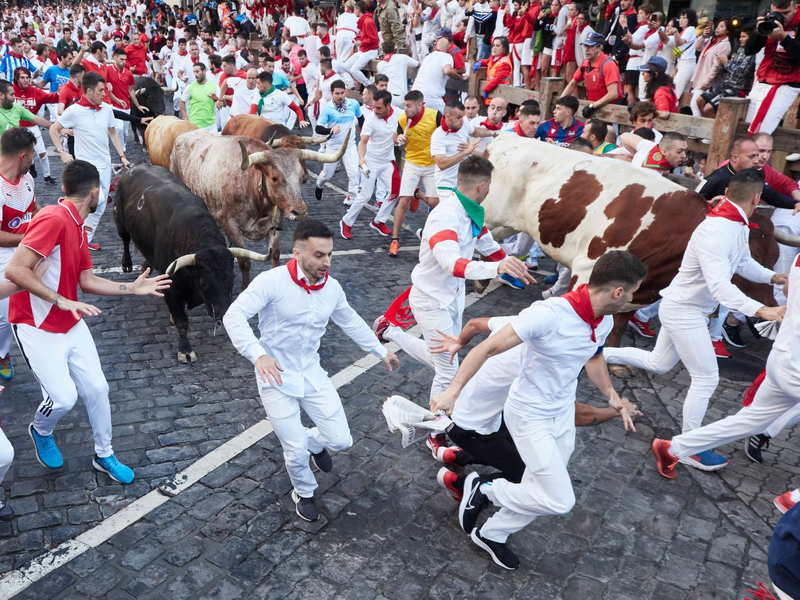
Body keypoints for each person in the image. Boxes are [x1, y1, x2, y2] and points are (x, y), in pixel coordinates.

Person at [428, 251, 645, 569]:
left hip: (560, 416)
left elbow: (594, 356)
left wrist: (611, 395)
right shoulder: (548, 314)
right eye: (634, 291)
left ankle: (492, 534)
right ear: (618, 293)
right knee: (560, 499)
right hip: (529, 416)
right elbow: (487, 347)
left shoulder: (604, 319)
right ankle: (485, 489)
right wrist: (452, 391)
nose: (635, 298)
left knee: (540, 487)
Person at [606, 169, 787, 471]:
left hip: (687, 309)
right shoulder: (717, 230)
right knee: (706, 378)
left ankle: (592, 351)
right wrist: (761, 310)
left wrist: (773, 276)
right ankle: (688, 446)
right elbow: (720, 286)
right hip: (683, 311)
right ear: (757, 198)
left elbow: (742, 263)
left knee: (658, 363)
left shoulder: (736, 224)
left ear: (729, 193)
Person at [5, 159, 170, 485]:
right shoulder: (53, 218)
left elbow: (88, 281)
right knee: (64, 398)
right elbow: (14, 270)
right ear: (95, 192)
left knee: (97, 388)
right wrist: (58, 298)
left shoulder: (78, 224)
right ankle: (41, 430)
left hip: (69, 321)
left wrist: (132, 288)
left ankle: (104, 454)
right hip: (35, 325)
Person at [223, 219, 398, 522]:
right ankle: (303, 493)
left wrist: (380, 350)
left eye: (330, 254)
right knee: (293, 449)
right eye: (319, 255)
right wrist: (259, 356)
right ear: (297, 253)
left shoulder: (332, 288)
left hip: (312, 374)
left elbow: (352, 321)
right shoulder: (271, 282)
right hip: (274, 378)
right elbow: (233, 315)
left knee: (342, 440)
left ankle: (314, 442)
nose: (327, 262)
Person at [374, 156, 533, 456]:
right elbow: (452, 264)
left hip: (451, 297)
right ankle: (436, 430)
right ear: (483, 186)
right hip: (431, 299)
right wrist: (496, 270)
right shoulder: (444, 216)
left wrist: (510, 265)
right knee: (448, 371)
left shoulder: (473, 210)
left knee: (446, 359)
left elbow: (485, 243)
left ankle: (389, 330)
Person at [49, 72, 130, 251]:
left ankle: (85, 237)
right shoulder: (74, 111)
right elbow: (54, 129)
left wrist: (122, 156)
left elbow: (113, 132)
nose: (104, 93)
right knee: (95, 201)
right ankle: (66, 221)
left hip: (105, 165)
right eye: (101, 90)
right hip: (86, 168)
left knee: (100, 206)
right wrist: (61, 152)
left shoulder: (107, 109)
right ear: (89, 90)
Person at [0, 128, 40, 381]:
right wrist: (28, 238)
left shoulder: (26, 179)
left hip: (29, 250)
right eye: (33, 156)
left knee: (30, 304)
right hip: (4, 256)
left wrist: (47, 219)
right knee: (8, 313)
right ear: (22, 156)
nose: (34, 161)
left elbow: (33, 207)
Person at [389, 90, 442, 257]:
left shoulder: (435, 116)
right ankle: (394, 239)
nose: (406, 109)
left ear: (420, 105)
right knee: (403, 201)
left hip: (432, 164)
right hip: (412, 162)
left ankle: (417, 194)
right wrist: (397, 139)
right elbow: (395, 134)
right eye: (405, 105)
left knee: (435, 202)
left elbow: (446, 133)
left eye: (409, 106)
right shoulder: (403, 119)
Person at [340, 89, 398, 240]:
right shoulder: (371, 119)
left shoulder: (397, 113)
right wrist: (361, 158)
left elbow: (395, 131)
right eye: (373, 107)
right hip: (371, 162)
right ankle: (346, 222)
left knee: (395, 192)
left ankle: (379, 220)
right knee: (365, 195)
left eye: (379, 108)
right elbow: (363, 141)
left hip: (387, 162)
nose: (375, 110)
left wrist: (397, 138)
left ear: (388, 106)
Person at [699, 137, 800, 211]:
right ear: (735, 157)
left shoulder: (752, 176)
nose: (756, 161)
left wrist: (795, 204)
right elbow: (694, 202)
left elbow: (772, 196)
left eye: (757, 156)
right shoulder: (716, 179)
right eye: (751, 157)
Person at [745, 0, 800, 135]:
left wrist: (784, 38)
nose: (782, 17)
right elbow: (748, 50)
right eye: (778, 13)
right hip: (763, 80)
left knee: (761, 132)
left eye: (786, 13)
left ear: (795, 8)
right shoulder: (769, 20)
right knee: (744, 129)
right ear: (771, 8)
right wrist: (759, 32)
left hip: (787, 83)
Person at [314, 79, 361, 205]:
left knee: (354, 173)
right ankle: (319, 185)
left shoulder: (354, 104)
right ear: (332, 93)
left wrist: (364, 135)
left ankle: (351, 198)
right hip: (333, 147)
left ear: (346, 92)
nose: (340, 96)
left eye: (342, 93)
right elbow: (318, 128)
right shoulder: (327, 109)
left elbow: (361, 118)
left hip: (350, 145)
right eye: (337, 94)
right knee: (327, 175)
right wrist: (330, 130)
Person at [696, 26, 756, 118]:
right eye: (740, 36)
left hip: (738, 89)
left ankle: (718, 130)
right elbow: (729, 69)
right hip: (726, 84)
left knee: (708, 109)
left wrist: (726, 62)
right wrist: (722, 63)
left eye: (744, 37)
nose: (740, 39)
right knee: (699, 100)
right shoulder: (740, 50)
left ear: (751, 38)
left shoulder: (752, 53)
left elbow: (741, 72)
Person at [11, 67, 57, 184]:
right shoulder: (10, 91)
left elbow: (50, 97)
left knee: (42, 153)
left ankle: (47, 176)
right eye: (22, 78)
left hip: (33, 125)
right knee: (20, 155)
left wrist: (60, 93)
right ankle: (24, 175)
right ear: (16, 79)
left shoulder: (35, 91)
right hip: (16, 128)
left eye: (27, 77)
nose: (26, 80)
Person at [561, 32, 622, 118]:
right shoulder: (585, 64)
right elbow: (572, 83)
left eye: (590, 46)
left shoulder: (608, 65)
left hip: (611, 112)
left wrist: (592, 106)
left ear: (599, 47)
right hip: (594, 109)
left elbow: (613, 94)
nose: (586, 49)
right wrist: (560, 102)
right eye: (585, 46)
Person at [411, 32, 469, 113]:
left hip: (415, 96)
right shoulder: (446, 56)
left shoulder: (428, 56)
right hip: (432, 98)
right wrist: (461, 78)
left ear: (436, 46)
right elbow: (447, 70)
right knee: (448, 118)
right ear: (448, 48)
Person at [107, 48, 149, 152]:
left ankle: (122, 146)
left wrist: (138, 105)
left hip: (126, 106)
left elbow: (131, 90)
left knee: (125, 132)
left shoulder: (129, 73)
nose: (123, 62)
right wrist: (116, 100)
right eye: (121, 59)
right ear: (115, 58)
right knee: (119, 128)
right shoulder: (107, 70)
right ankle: (122, 152)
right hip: (113, 106)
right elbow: (106, 89)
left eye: (125, 60)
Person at [689, 19, 732, 117]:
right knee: (698, 104)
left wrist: (707, 81)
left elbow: (717, 66)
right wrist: (704, 36)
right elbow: (697, 47)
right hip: (702, 76)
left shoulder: (725, 44)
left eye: (721, 27)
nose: (717, 29)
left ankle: (698, 127)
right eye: (717, 26)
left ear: (728, 30)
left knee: (695, 104)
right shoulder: (712, 40)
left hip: (710, 80)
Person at [343, 1, 379, 88]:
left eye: (355, 9)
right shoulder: (364, 20)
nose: (354, 11)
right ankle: (358, 82)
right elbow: (366, 37)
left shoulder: (367, 21)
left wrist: (361, 42)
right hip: (364, 50)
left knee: (354, 70)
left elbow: (373, 39)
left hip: (371, 50)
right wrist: (358, 39)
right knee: (346, 66)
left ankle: (369, 85)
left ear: (358, 10)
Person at [619, 130, 687, 174]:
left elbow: (624, 136)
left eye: (685, 150)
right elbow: (623, 136)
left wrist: (638, 154)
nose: (684, 155)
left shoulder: (649, 146)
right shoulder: (652, 175)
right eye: (679, 152)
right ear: (664, 151)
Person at [376, 40, 418, 108]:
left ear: (383, 51)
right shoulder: (402, 57)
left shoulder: (380, 65)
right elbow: (418, 64)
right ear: (394, 49)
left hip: (388, 96)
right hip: (401, 96)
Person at [667, 9, 698, 101]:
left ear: (690, 19)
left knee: (675, 92)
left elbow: (679, 42)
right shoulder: (685, 31)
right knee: (681, 95)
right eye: (680, 17)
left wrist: (675, 32)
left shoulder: (690, 29)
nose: (681, 20)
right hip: (684, 64)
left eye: (684, 18)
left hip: (687, 65)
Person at [179, 62, 219, 132]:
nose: (195, 74)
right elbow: (182, 101)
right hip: (195, 126)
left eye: (197, 72)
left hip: (211, 126)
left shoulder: (214, 86)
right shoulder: (190, 87)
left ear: (204, 71)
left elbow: (222, 104)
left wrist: (216, 99)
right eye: (194, 72)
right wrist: (185, 118)